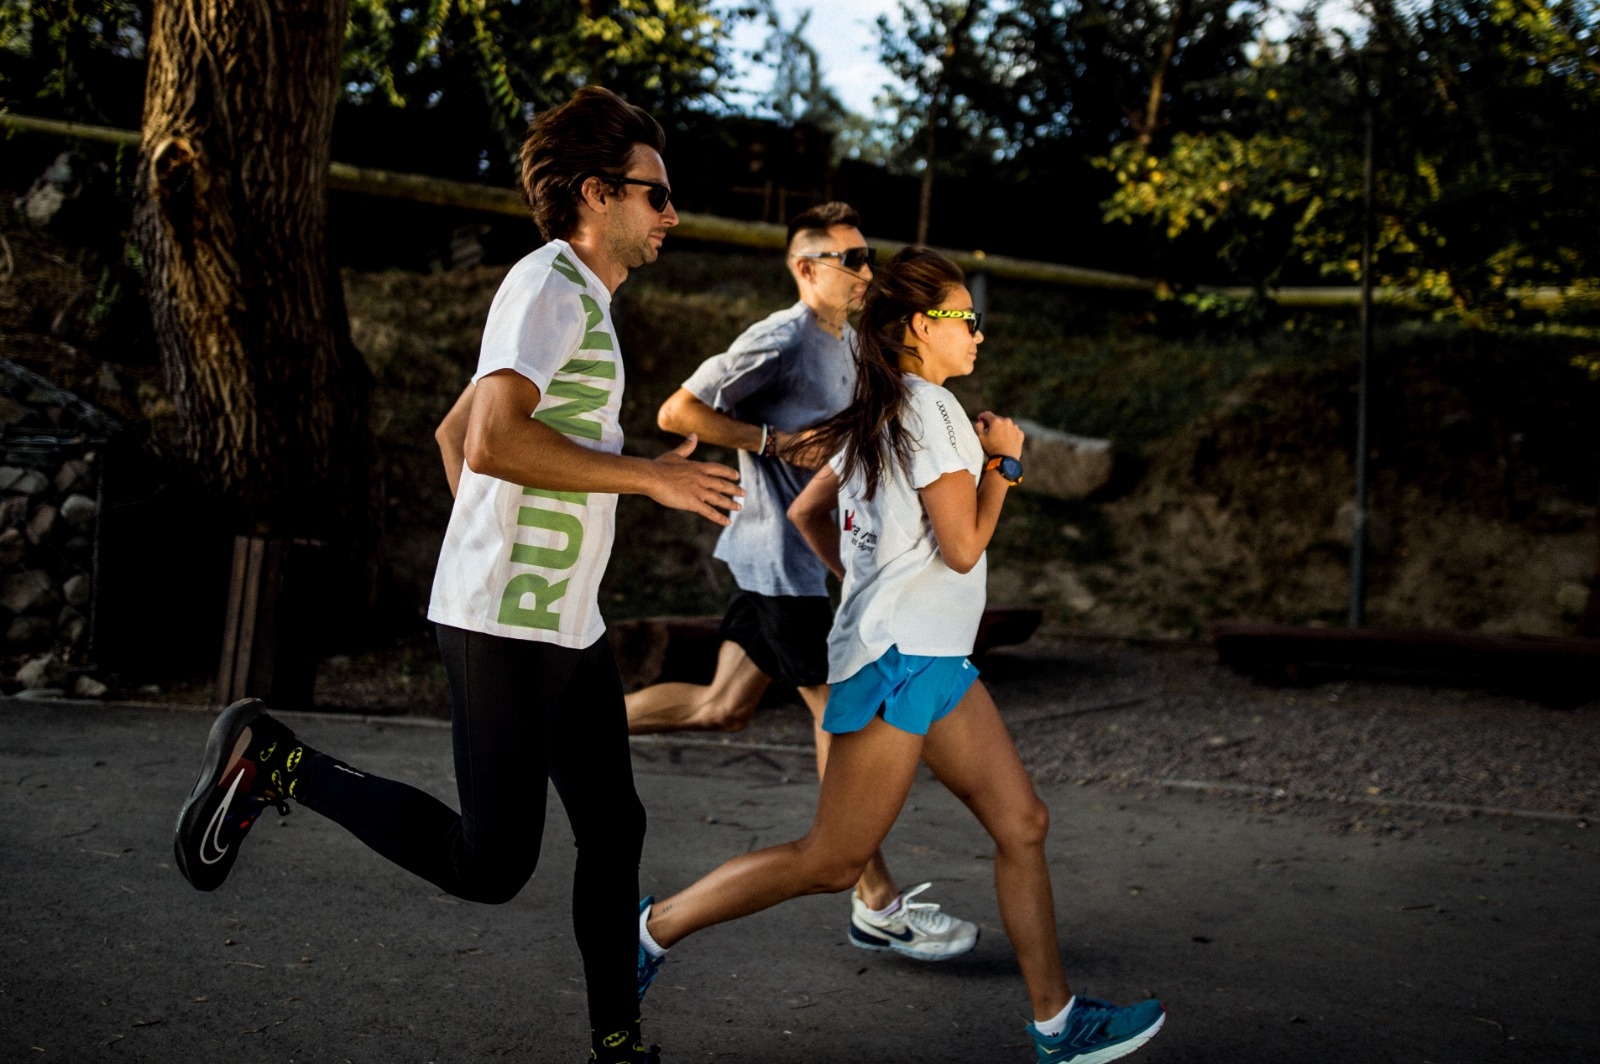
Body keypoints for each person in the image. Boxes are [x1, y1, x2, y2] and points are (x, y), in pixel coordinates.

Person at [173, 86, 742, 1064]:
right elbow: (486, 440)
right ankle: (276, 759)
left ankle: (617, 1043)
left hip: (564, 619)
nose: (673, 215)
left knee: (614, 828)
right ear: (598, 193)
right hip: (506, 625)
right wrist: (646, 478)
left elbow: (454, 433)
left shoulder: (582, 302)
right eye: (656, 195)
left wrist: (500, 526)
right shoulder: (548, 285)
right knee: (490, 864)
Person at [634, 247, 1166, 1063]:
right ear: (921, 326)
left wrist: (873, 585)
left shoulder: (879, 409)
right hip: (899, 664)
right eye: (966, 319)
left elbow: (810, 514)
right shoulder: (934, 412)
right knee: (830, 861)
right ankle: (649, 931)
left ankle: (1058, 1024)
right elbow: (964, 546)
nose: (978, 335)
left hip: (933, 659)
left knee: (1023, 823)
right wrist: (1006, 464)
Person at [625, 201, 979, 960]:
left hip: (795, 562)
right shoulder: (781, 339)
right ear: (806, 268)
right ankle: (875, 900)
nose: (865, 271)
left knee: (722, 707)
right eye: (850, 259)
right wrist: (775, 441)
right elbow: (678, 411)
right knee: (836, 717)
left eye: (868, 256)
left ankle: (559, 728)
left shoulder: (850, 341)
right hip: (784, 562)